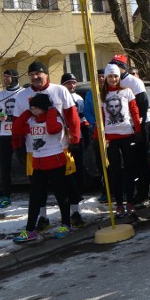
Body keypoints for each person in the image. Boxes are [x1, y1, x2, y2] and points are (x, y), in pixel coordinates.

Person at [13, 61, 80, 232]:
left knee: (68, 182)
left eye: (38, 73)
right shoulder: (22, 96)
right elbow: (16, 123)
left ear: (46, 74)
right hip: (33, 149)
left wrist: (75, 139)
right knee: (37, 187)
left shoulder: (60, 90)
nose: (35, 77)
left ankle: (74, 212)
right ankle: (42, 217)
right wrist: (17, 146)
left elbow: (72, 116)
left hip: (61, 147)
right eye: (32, 74)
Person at [11, 93, 73, 242]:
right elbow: (16, 129)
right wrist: (27, 112)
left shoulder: (55, 119)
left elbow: (52, 129)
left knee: (60, 194)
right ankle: (30, 230)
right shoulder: (31, 121)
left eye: (36, 108)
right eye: (32, 108)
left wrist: (51, 111)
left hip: (55, 162)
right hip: (38, 164)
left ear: (45, 108)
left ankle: (66, 224)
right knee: (35, 197)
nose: (34, 111)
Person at [100, 64, 141, 217]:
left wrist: (138, 130)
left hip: (127, 135)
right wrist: (100, 136)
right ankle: (118, 203)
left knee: (129, 169)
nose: (113, 79)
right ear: (106, 78)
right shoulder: (102, 96)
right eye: (110, 76)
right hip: (111, 137)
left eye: (115, 76)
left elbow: (134, 111)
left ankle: (130, 201)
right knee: (115, 171)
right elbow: (101, 117)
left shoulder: (127, 91)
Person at [60, 72, 87, 227]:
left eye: (73, 83)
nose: (72, 86)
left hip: (77, 139)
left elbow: (82, 119)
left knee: (78, 169)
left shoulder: (78, 99)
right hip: (64, 141)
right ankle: (71, 205)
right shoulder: (58, 97)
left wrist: (83, 135)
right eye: (68, 83)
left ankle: (78, 196)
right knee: (67, 174)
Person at [0, 68, 21, 208]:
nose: (5, 79)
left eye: (8, 77)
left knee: (25, 163)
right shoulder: (0, 95)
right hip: (5, 134)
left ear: (15, 77)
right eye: (4, 77)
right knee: (5, 166)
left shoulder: (22, 93)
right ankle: (6, 196)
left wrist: (10, 117)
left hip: (20, 134)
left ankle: (36, 191)